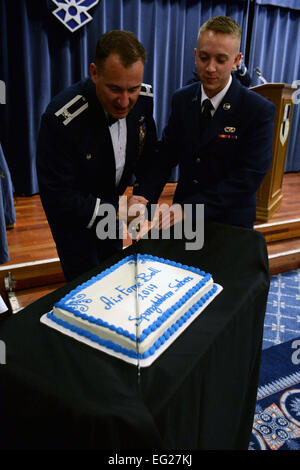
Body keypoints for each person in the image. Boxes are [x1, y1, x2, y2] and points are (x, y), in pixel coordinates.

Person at [129, 16, 275, 230]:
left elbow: (248, 177)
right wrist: (143, 196)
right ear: (196, 55)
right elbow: (167, 154)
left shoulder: (257, 109)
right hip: (184, 222)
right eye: (204, 58)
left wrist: (190, 209)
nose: (210, 68)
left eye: (221, 60)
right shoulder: (182, 99)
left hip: (229, 224)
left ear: (237, 61)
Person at [37, 30, 157, 281]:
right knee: (86, 284)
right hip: (75, 221)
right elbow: (58, 195)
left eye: (132, 89)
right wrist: (117, 210)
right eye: (115, 89)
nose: (125, 101)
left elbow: (149, 157)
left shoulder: (144, 99)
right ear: (94, 72)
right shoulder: (61, 119)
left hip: (112, 208)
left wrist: (141, 196)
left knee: (113, 273)